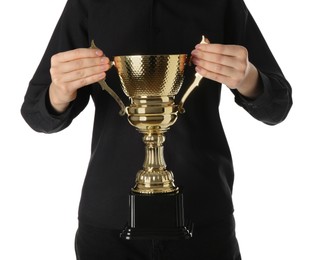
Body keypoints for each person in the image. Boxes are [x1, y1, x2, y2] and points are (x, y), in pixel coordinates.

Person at [21, 0, 292, 259]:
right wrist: (58, 92)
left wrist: (248, 78)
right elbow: (36, 115)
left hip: (203, 216)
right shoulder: (89, 3)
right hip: (109, 222)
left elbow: (278, 107)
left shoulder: (221, 2)